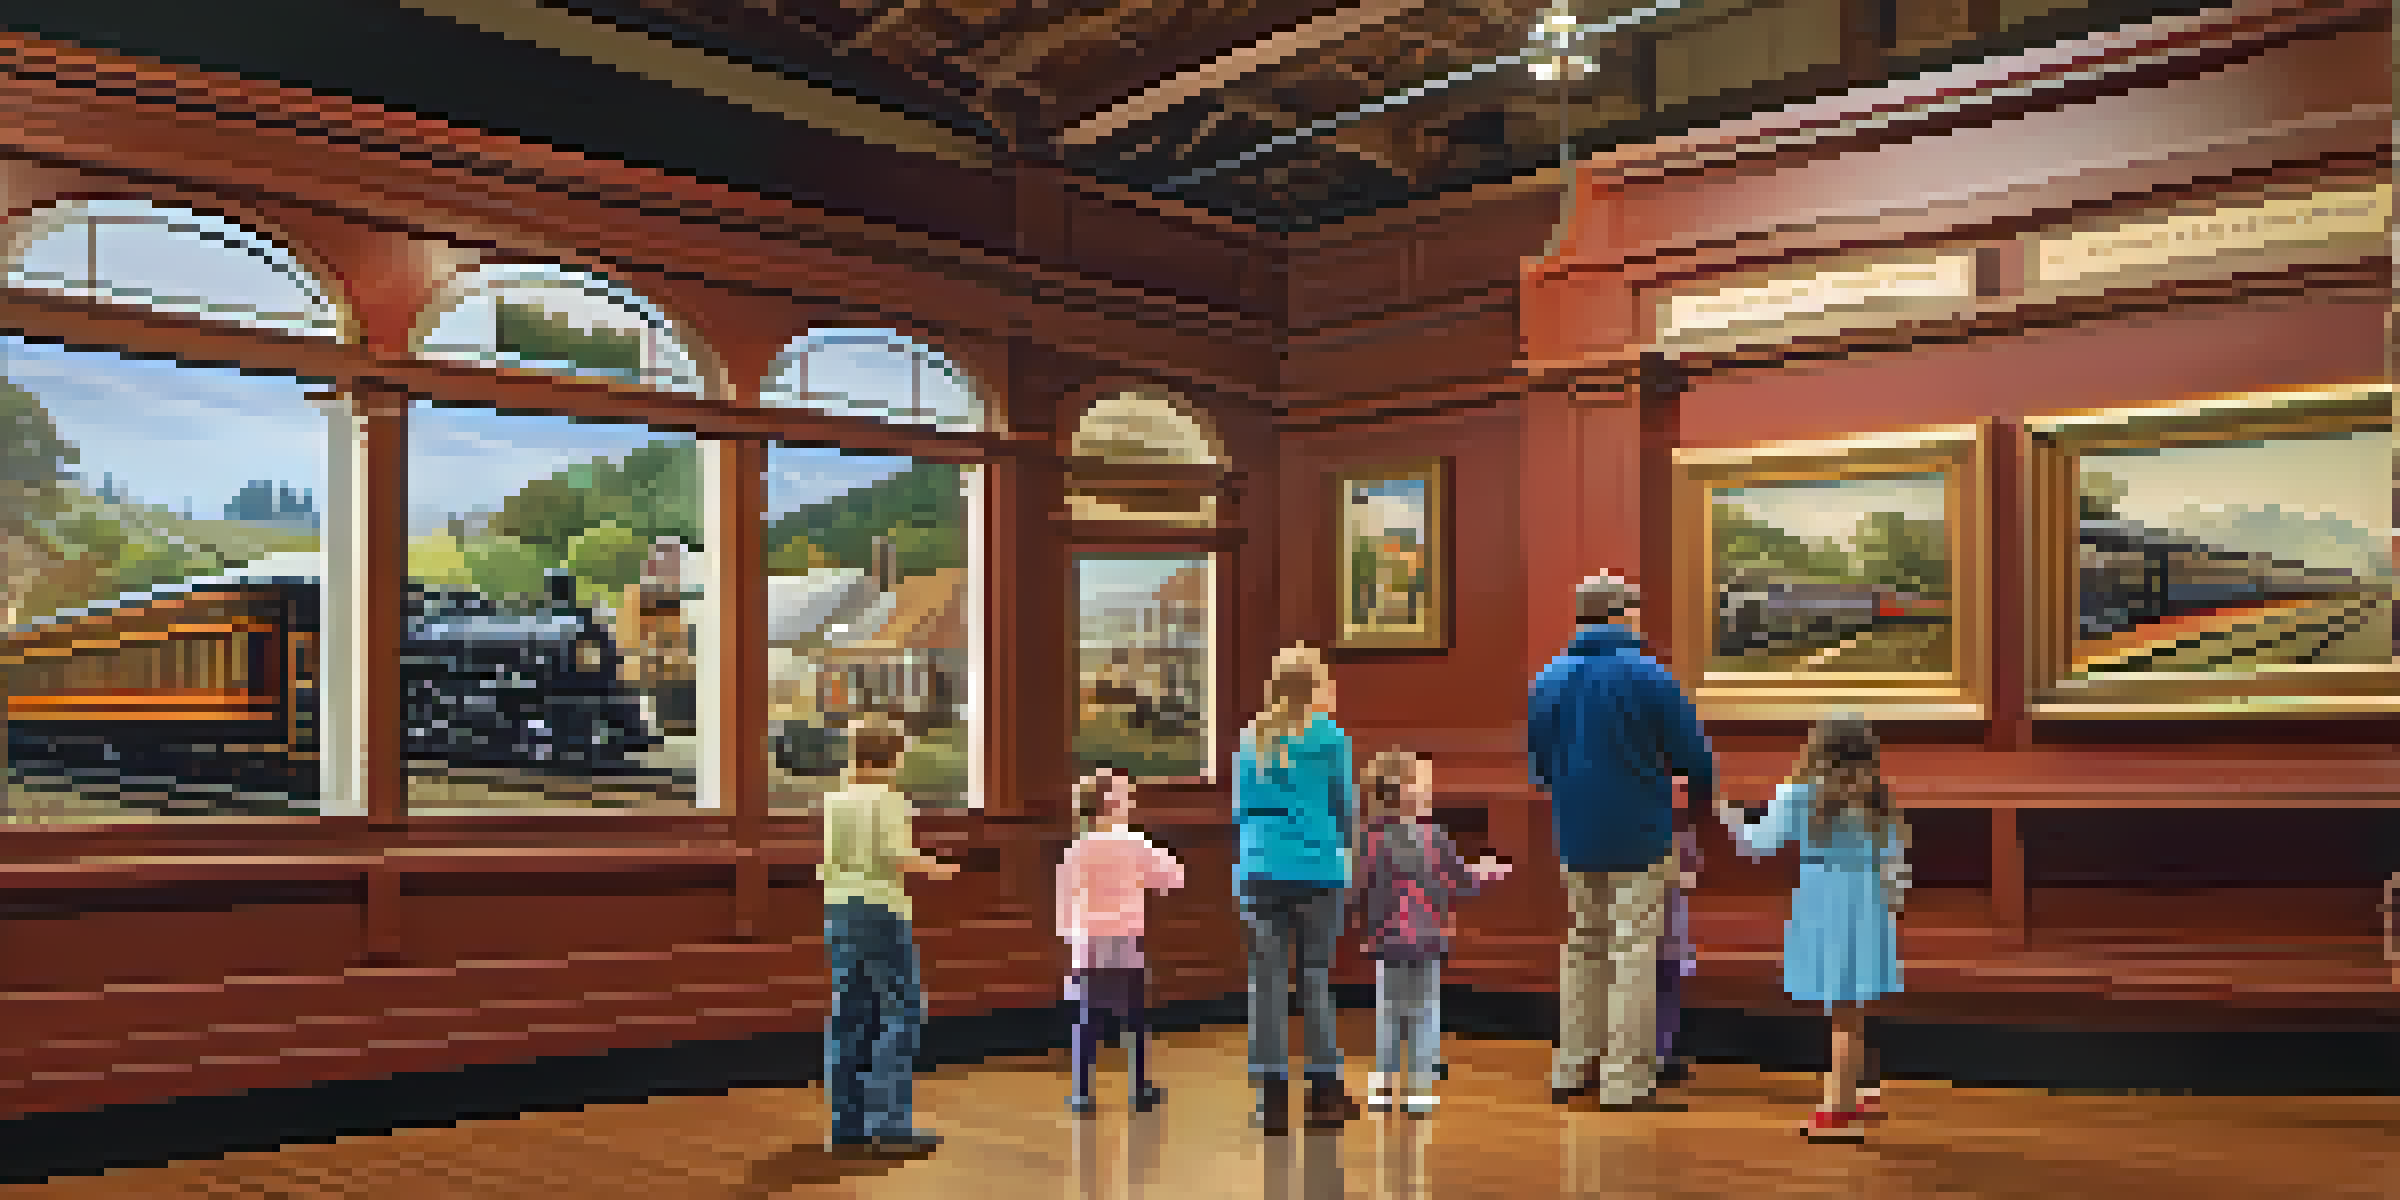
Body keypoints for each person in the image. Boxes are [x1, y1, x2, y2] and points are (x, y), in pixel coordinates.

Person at [1527, 573, 1717, 1111]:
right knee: (1634, 949)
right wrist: (1698, 797)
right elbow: (1695, 759)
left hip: (1576, 834)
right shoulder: (1648, 675)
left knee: (1583, 945)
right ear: (1625, 614)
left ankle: (1573, 1064)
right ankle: (1624, 1077)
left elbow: (1540, 769)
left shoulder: (1547, 679)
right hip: (1639, 833)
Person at [1719, 711, 1909, 1142]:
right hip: (1867, 901)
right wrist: (1894, 906)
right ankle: (1860, 1091)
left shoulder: (1800, 795)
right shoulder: (1877, 796)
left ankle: (1836, 1111)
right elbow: (1895, 858)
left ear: (1816, 747)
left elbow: (1757, 845)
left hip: (1825, 901)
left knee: (1839, 1011)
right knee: (1854, 1008)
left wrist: (1728, 814)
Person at [1233, 643, 1360, 1134]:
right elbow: (1343, 808)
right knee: (1314, 979)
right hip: (1317, 868)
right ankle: (1325, 1093)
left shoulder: (1252, 738)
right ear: (1316, 684)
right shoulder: (1330, 737)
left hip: (1259, 869)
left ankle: (1271, 1097)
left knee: (1264, 983)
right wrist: (1342, 851)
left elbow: (1240, 811)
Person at [819, 712, 960, 1156]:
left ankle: (847, 1123)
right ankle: (891, 1123)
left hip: (839, 909)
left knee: (850, 1014)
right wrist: (941, 869)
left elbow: (831, 862)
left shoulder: (836, 800)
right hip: (881, 909)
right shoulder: (889, 800)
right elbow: (897, 856)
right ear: (894, 754)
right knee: (899, 1013)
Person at [1351, 749, 1512, 1117]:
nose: (1431, 789)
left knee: (1388, 1013)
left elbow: (1354, 889)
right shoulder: (1433, 836)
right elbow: (1461, 883)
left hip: (1384, 939)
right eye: (1425, 782)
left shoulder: (1368, 837)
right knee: (1425, 1011)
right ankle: (1419, 1091)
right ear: (1406, 790)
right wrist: (1488, 872)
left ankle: (1382, 1089)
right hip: (1426, 938)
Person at [1056, 766, 1185, 1116]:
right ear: (1112, 803)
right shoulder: (1134, 842)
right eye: (1126, 794)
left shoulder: (1077, 849)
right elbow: (1173, 876)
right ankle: (1139, 1086)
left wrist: (1071, 941)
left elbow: (1065, 900)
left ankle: (1082, 1092)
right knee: (1135, 1015)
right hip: (1127, 935)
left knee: (1087, 1015)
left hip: (1087, 941)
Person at [1657, 826, 1703, 1087]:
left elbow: (1692, 873)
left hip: (1671, 926)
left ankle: (1661, 1053)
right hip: (1650, 925)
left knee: (1667, 986)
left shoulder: (1682, 829)